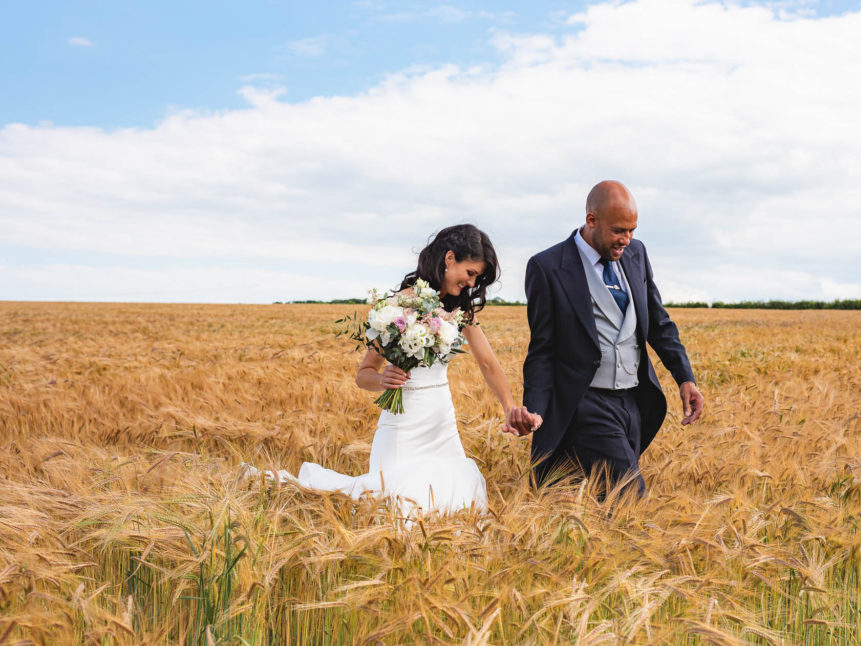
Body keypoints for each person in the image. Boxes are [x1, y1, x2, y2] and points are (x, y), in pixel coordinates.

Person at [254, 224, 542, 516]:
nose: (472, 283)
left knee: (452, 504)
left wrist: (509, 408)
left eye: (477, 278)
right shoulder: (398, 307)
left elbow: (488, 363)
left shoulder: (460, 311)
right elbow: (363, 374)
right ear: (450, 258)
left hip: (441, 423)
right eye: (470, 273)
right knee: (394, 504)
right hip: (403, 425)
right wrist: (382, 379)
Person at [522, 181, 704, 496]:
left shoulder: (636, 253)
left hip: (634, 402)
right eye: (619, 230)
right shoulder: (547, 267)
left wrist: (684, 377)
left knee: (603, 503)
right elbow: (542, 349)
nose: (627, 239)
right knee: (629, 498)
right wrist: (534, 408)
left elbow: (658, 323)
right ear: (592, 220)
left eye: (632, 230)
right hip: (587, 402)